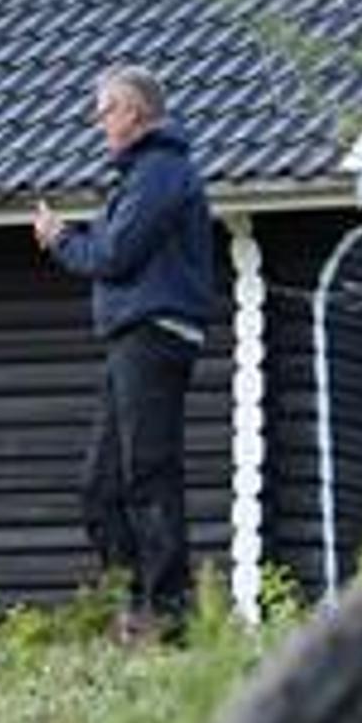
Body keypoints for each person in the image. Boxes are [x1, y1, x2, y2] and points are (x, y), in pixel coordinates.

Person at [34, 63, 217, 644]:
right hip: (130, 338)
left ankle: (168, 611)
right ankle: (134, 599)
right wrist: (75, 240)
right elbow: (108, 248)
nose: (98, 121)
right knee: (100, 485)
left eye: (105, 109)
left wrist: (62, 239)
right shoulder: (137, 176)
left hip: (156, 332)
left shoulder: (161, 171)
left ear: (136, 111)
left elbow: (112, 255)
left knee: (148, 472)